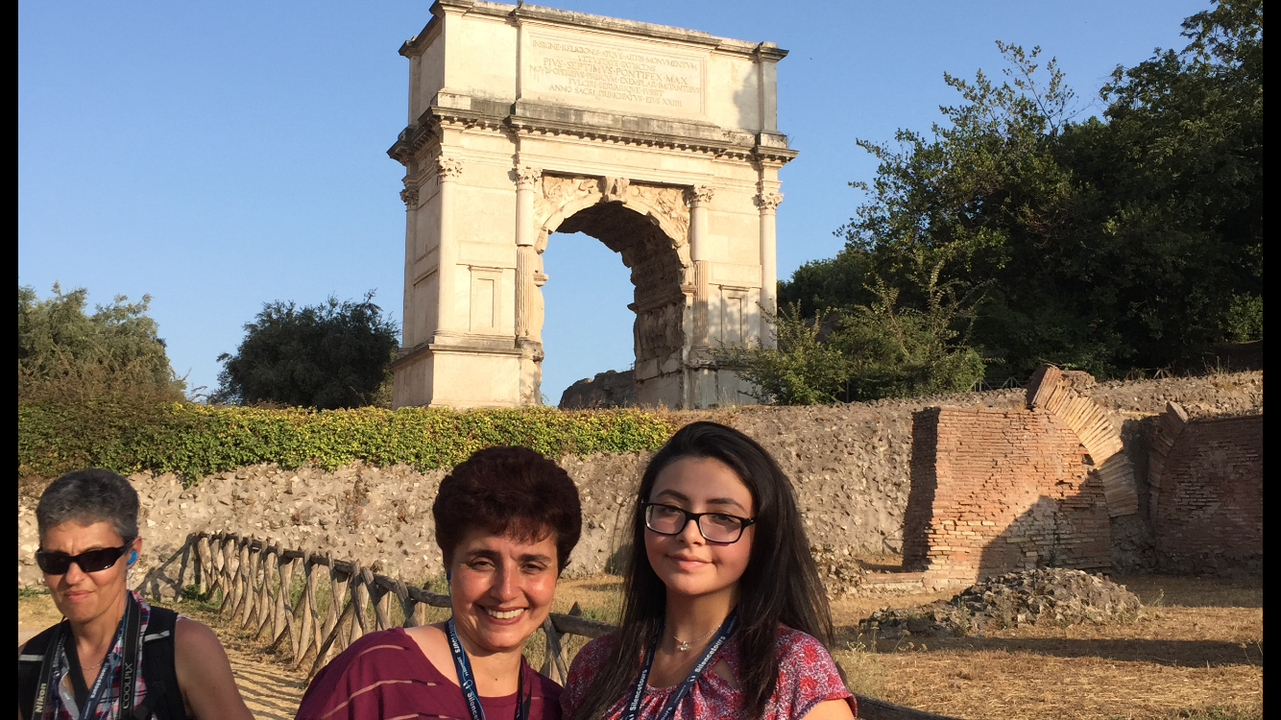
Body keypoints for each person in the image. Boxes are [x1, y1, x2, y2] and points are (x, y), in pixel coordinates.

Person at [562, 422, 856, 719]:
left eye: (722, 516)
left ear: (762, 536)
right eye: (669, 509)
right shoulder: (596, 665)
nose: (689, 534)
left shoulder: (793, 669)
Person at [297, 446, 583, 720]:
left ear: (558, 573)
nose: (505, 590)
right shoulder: (374, 675)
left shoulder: (553, 707)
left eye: (532, 566)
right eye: (482, 563)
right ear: (448, 562)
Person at [18, 468, 253, 720]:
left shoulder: (181, 648)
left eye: (96, 558)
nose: (73, 577)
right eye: (56, 560)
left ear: (131, 553)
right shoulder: (29, 663)